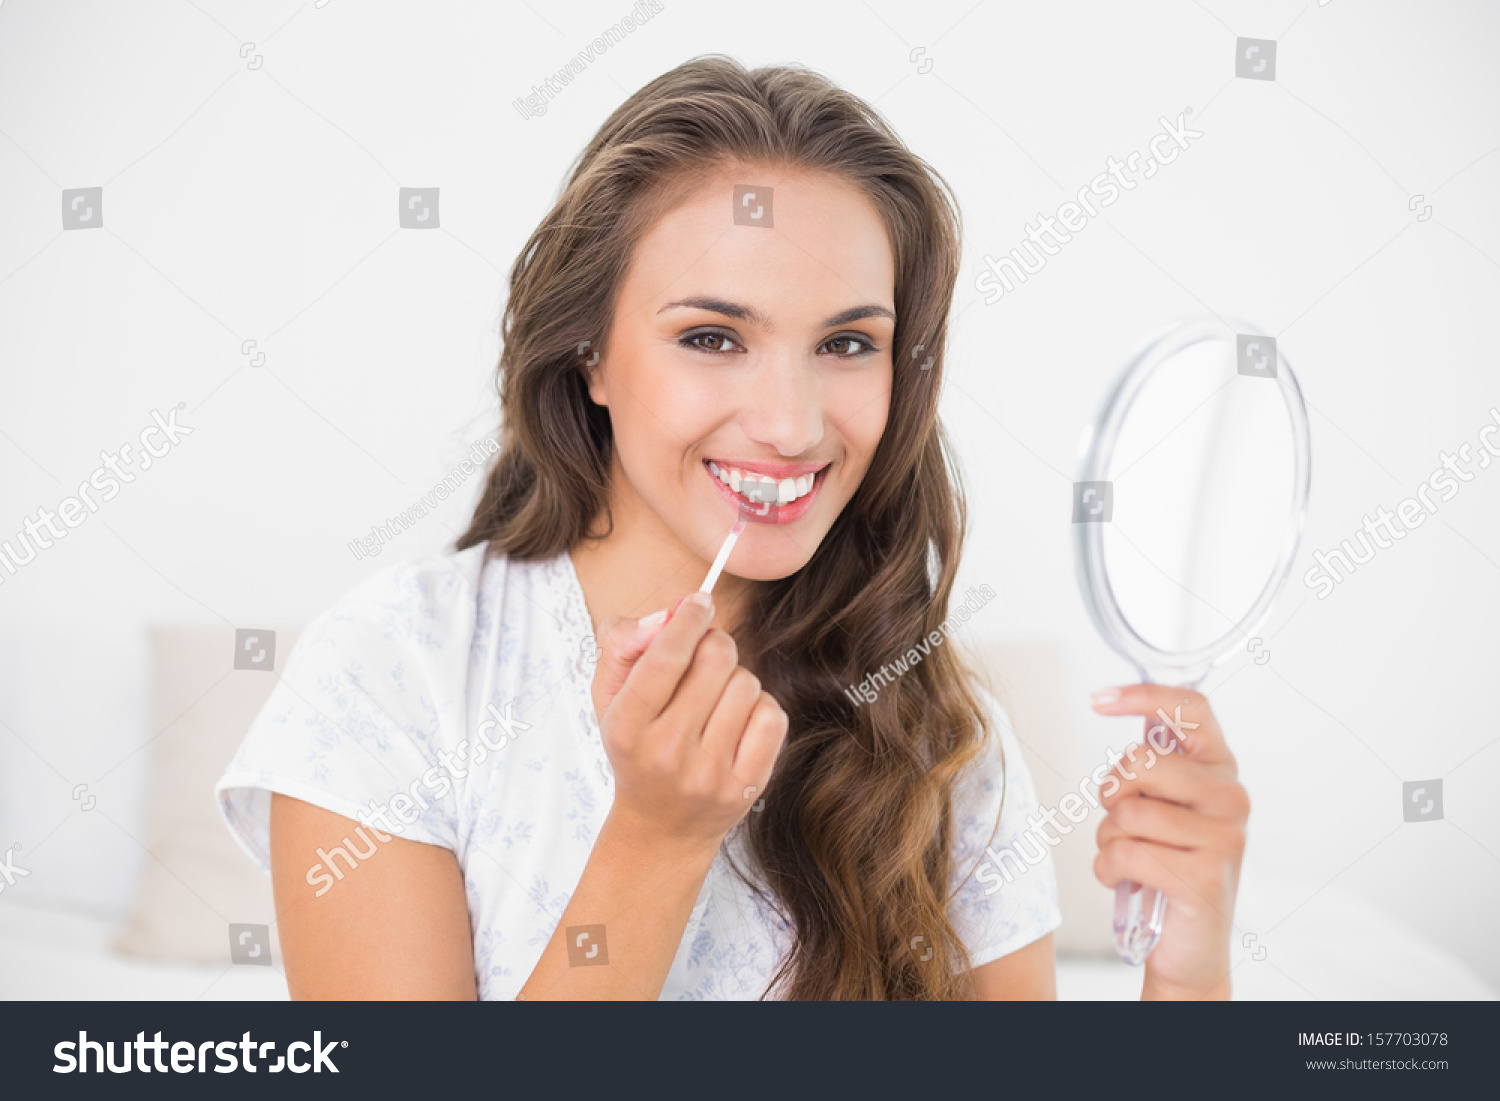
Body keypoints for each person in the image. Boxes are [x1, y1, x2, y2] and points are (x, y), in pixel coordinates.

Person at [217, 56, 1247, 1000]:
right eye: (712, 337)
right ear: (591, 355)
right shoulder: (392, 675)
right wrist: (657, 840)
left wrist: (1189, 967)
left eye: (848, 342)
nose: (791, 426)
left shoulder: (930, 725)